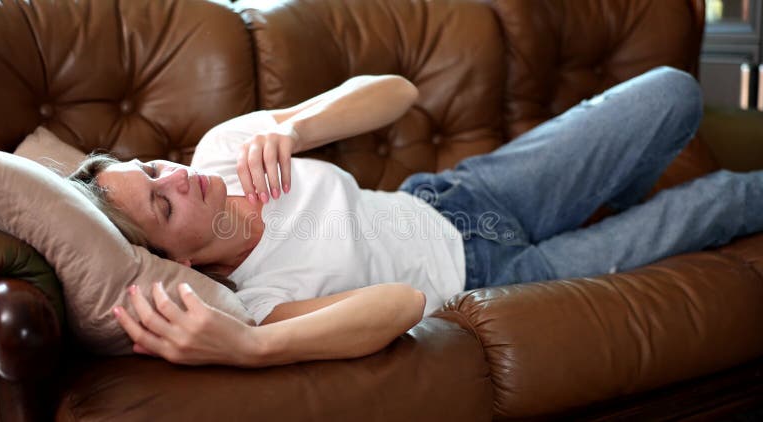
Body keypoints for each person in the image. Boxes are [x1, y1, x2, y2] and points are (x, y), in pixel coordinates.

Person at [69, 67, 763, 368]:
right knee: (725, 201)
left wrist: (300, 125)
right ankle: (609, 233)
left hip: (468, 195)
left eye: (155, 167)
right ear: (177, 262)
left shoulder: (223, 151)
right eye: (163, 204)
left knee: (671, 93)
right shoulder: (256, 304)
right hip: (508, 278)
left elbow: (396, 92)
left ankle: (614, 215)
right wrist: (252, 348)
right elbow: (402, 304)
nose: (180, 178)